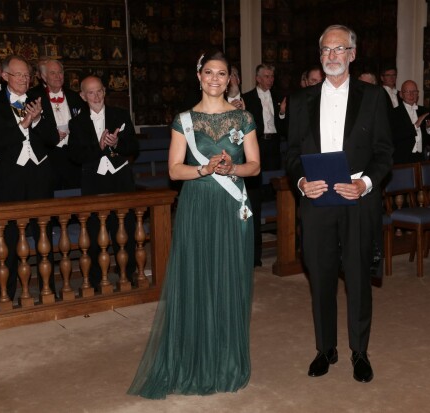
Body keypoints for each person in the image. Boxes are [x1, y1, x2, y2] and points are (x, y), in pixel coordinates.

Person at [128, 50, 260, 399]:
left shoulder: (243, 118)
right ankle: (193, 361)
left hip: (232, 207)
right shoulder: (183, 119)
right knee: (197, 278)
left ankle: (226, 361)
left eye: (222, 73)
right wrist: (204, 169)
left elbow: (255, 166)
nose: (215, 78)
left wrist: (233, 169)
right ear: (199, 76)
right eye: (209, 72)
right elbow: (174, 170)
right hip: (197, 205)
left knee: (229, 278)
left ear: (230, 78)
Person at [286, 24, 393, 383]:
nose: (332, 56)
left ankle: (359, 351)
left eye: (339, 49)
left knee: (359, 277)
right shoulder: (300, 100)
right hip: (315, 201)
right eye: (326, 50)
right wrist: (301, 181)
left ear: (352, 54)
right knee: (321, 277)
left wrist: (363, 184)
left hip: (357, 201)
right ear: (320, 56)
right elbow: (290, 154)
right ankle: (325, 348)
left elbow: (384, 154)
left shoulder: (375, 97)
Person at [0, 55, 58, 303]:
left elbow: (52, 138)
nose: (25, 79)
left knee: (44, 236)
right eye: (19, 75)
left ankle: (50, 290)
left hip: (39, 176)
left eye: (27, 75)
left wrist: (36, 121)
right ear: (5, 76)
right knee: (10, 239)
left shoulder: (39, 100)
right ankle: (6, 293)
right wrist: (23, 124)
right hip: (9, 179)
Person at [67, 76, 138, 290]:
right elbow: (75, 156)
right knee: (95, 231)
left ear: (104, 91)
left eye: (99, 91)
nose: (96, 96)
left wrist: (117, 143)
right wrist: (98, 147)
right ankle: (97, 279)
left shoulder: (120, 114)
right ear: (82, 96)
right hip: (93, 182)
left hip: (121, 180)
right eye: (90, 92)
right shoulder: (77, 123)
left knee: (124, 228)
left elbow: (134, 148)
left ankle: (128, 273)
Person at [242, 63, 286, 266]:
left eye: (272, 76)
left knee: (276, 190)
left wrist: (283, 113)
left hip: (274, 145)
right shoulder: (248, 98)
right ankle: (255, 254)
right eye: (267, 76)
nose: (270, 79)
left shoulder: (279, 97)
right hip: (256, 145)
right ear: (258, 78)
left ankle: (282, 243)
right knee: (256, 196)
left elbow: (286, 127)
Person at [28, 58, 85, 190]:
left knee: (75, 196)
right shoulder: (33, 96)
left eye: (60, 72)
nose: (58, 76)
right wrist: (51, 135)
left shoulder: (74, 96)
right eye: (53, 73)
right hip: (47, 156)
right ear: (43, 76)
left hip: (72, 155)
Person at [389, 80, 430, 164]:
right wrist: (415, 125)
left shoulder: (424, 111)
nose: (411, 94)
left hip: (421, 157)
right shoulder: (393, 113)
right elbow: (395, 136)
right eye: (407, 92)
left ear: (418, 94)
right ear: (401, 95)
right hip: (402, 158)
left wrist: (429, 128)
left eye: (414, 91)